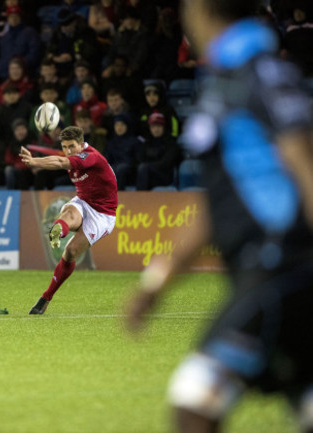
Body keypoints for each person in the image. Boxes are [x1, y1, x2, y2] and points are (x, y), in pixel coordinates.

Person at [125, 1, 313, 432]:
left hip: (278, 266)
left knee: (195, 400)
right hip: (277, 270)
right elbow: (215, 203)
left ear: (200, 13)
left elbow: (305, 164)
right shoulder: (232, 78)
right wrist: (157, 282)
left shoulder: (256, 76)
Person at [20, 126, 117, 314]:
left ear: (81, 144)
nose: (69, 151)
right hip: (83, 201)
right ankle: (57, 230)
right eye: (65, 147)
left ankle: (46, 297)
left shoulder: (90, 157)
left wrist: (33, 161)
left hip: (103, 214)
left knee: (71, 251)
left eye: (72, 146)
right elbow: (58, 158)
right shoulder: (73, 154)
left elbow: (58, 162)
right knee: (69, 213)